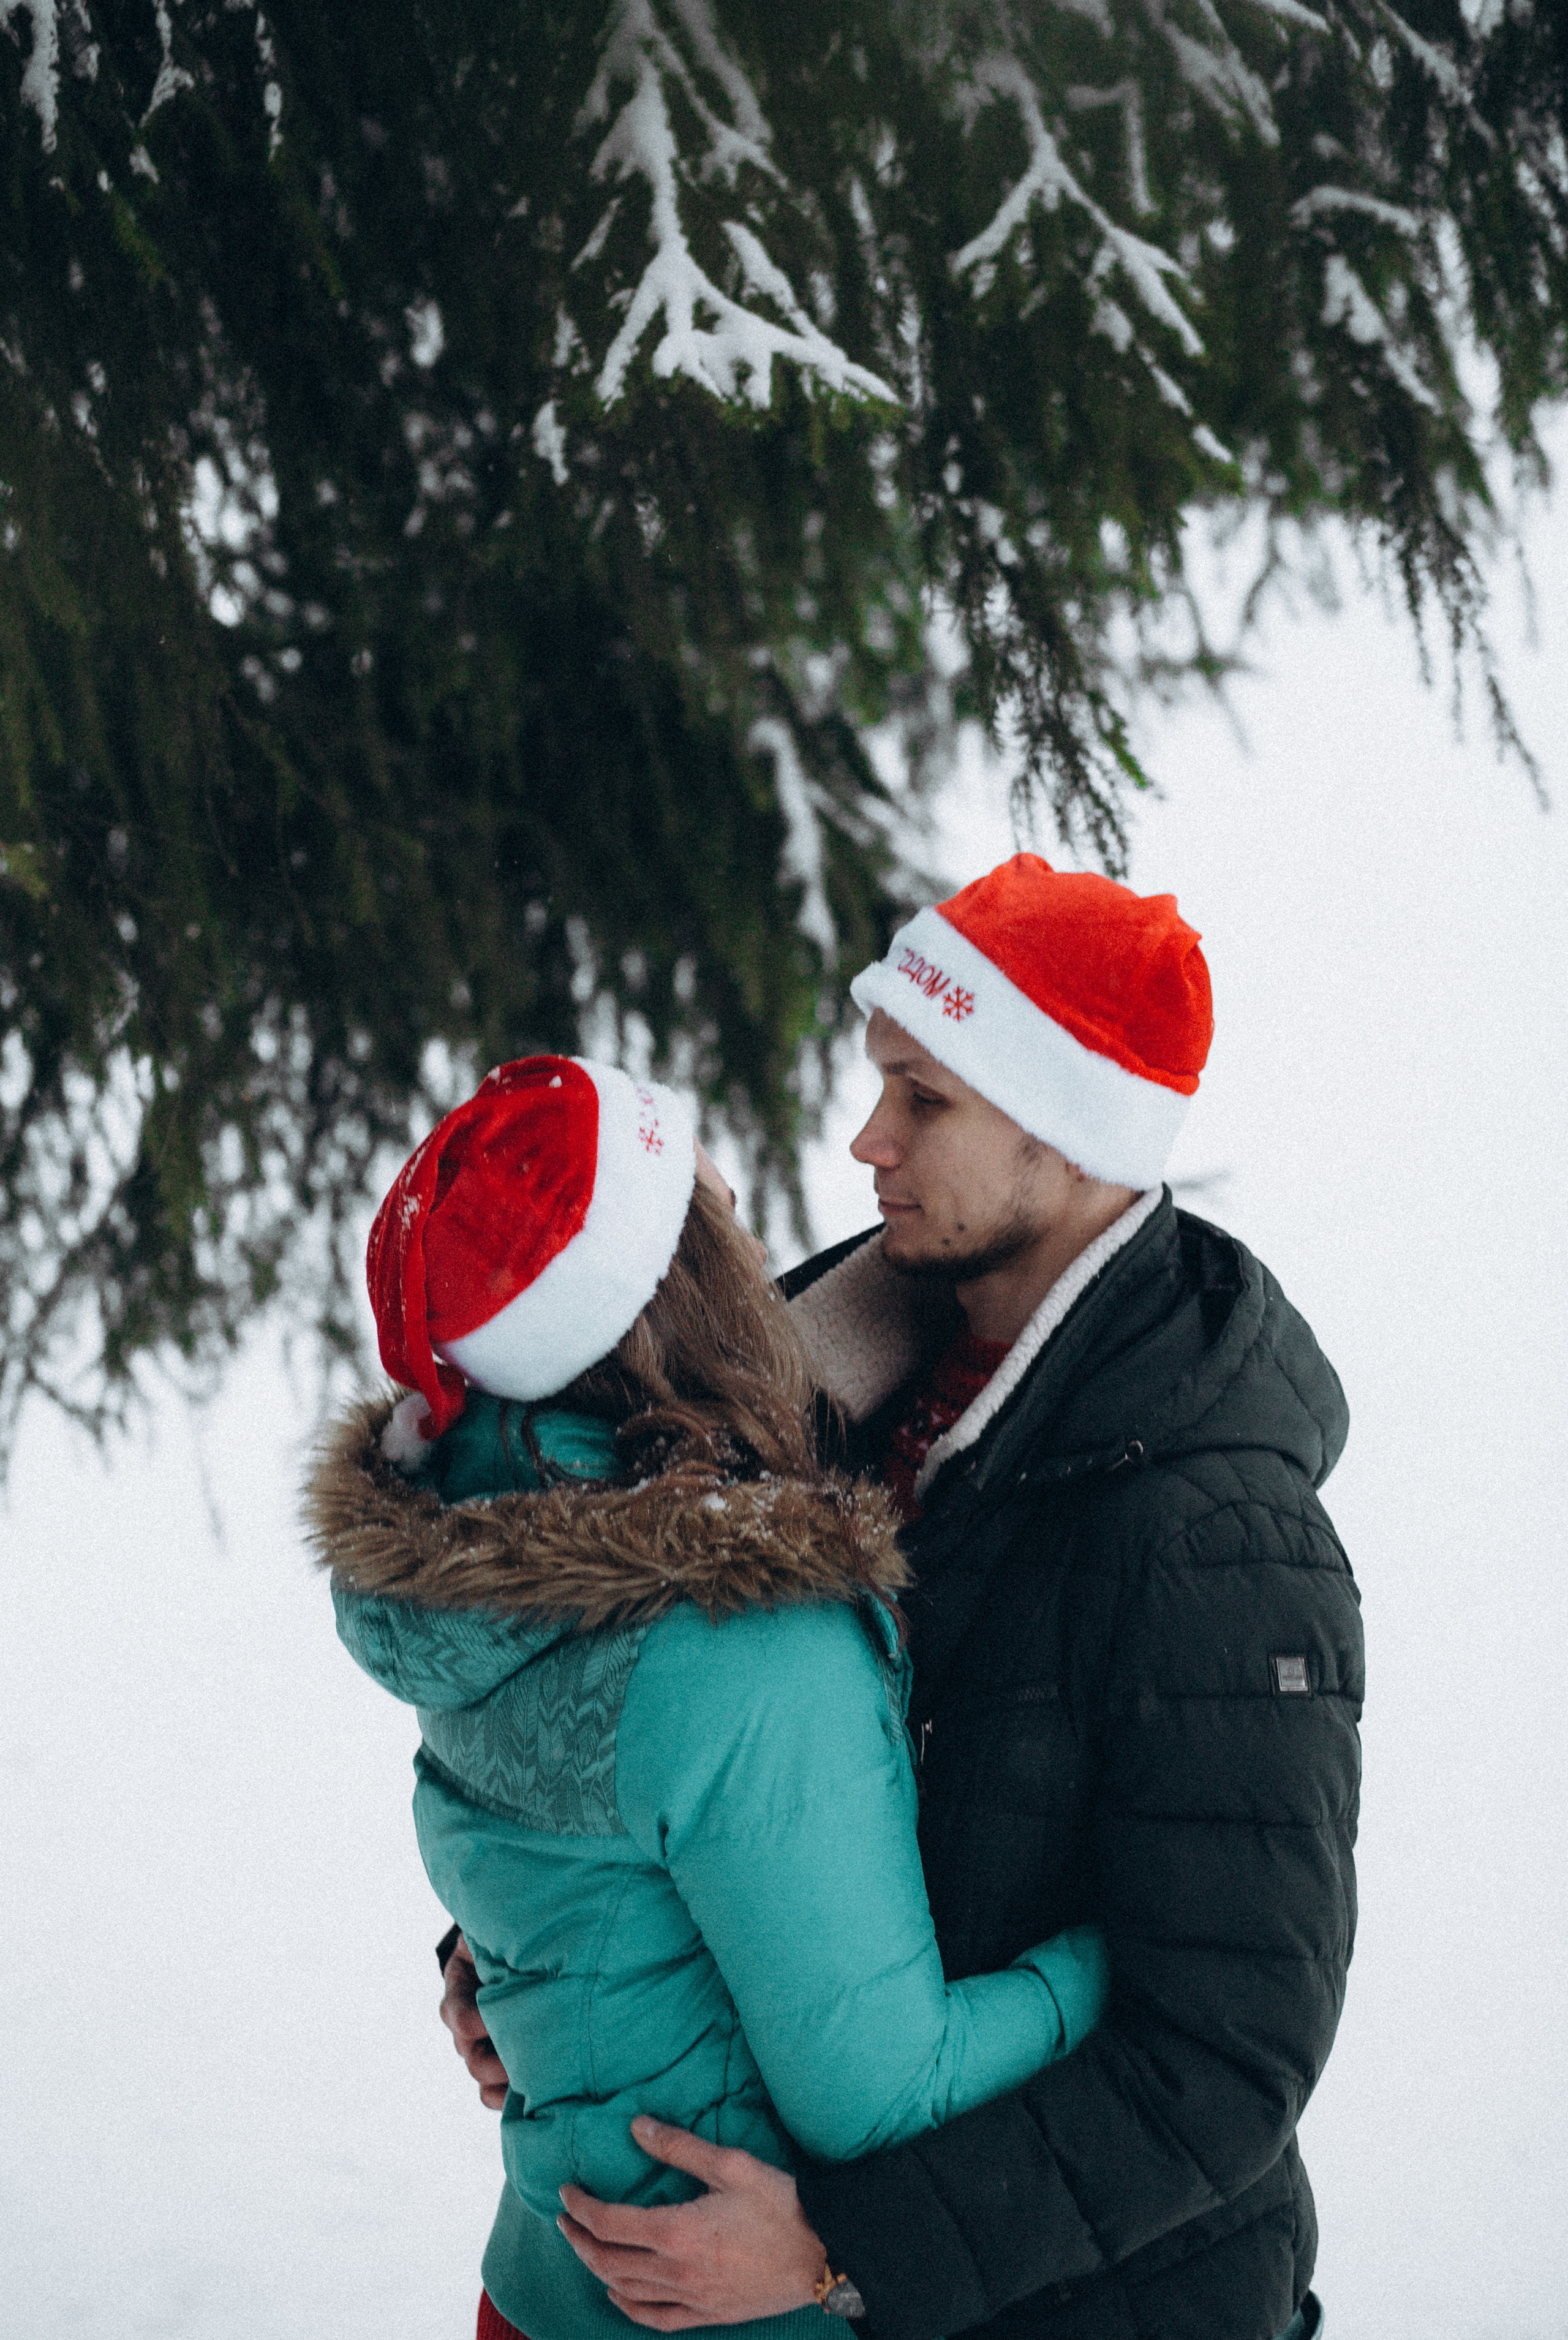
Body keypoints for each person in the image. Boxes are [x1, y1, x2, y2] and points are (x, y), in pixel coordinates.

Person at [447, 856, 1361, 2340]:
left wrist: (844, 2250)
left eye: (922, 1098)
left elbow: (1224, 2060)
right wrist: (545, 1963)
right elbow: (689, 1763)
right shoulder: (803, 1397)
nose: (865, 1138)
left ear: (1065, 1132)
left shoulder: (1213, 1535)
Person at [310, 1050, 1114, 2340]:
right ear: (671, 1288)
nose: (757, 1239)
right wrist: (1105, 1963)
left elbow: (579, 1847)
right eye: (719, 1212)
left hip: (537, 2287)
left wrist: (516, 1976)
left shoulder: (481, 1543)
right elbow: (880, 2089)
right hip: (720, 2309)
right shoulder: (743, 1637)